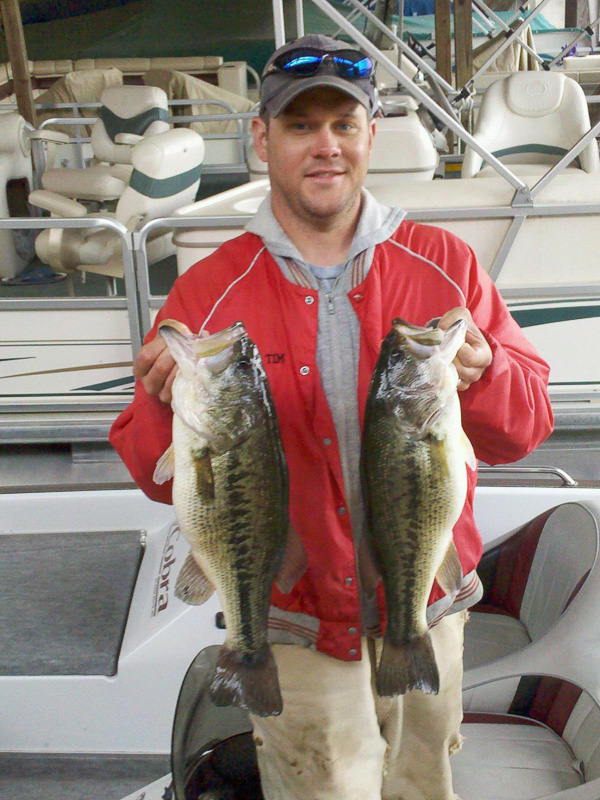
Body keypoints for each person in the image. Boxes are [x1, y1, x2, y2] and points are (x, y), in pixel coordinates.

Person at [110, 34, 553, 800]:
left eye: (344, 125)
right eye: (300, 125)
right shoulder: (209, 294)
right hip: (297, 630)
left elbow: (525, 428)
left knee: (423, 790)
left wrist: (486, 378)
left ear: (371, 136)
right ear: (262, 139)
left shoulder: (444, 264)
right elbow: (160, 478)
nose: (325, 146)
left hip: (425, 611)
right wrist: (157, 400)